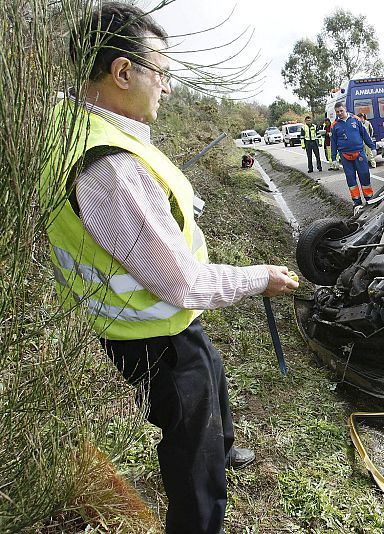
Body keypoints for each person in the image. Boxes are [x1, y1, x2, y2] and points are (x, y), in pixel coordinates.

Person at [40, 4, 299, 533]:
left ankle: (223, 447)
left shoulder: (70, 125)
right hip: (151, 333)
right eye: (161, 70)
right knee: (190, 447)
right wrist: (260, 278)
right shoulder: (109, 168)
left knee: (213, 381)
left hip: (156, 318)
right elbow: (183, 283)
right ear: (122, 72)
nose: (169, 86)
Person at [331, 102, 376, 210]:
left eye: (341, 111)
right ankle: (357, 201)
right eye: (337, 112)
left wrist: (372, 147)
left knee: (364, 175)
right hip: (345, 156)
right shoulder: (334, 125)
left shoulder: (356, 119)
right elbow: (333, 142)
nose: (340, 113)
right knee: (351, 179)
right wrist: (333, 158)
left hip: (359, 153)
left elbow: (364, 134)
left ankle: (369, 198)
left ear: (345, 109)